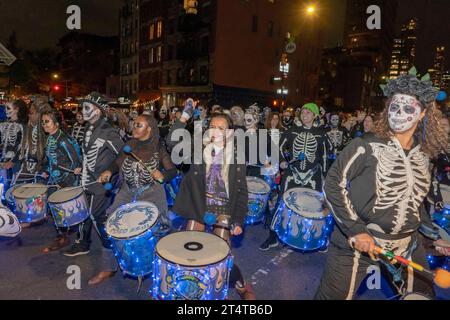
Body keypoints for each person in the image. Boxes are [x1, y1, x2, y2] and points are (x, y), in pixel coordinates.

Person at [315, 70, 450, 300]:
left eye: (409, 108)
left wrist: (431, 235)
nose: (399, 114)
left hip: (407, 245)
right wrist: (356, 229)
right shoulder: (366, 144)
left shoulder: (424, 155)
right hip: (357, 244)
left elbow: (414, 202)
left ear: (423, 113)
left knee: (422, 296)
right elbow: (333, 183)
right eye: (395, 107)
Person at [167, 99, 255, 300]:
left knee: (222, 256)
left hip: (223, 209)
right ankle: (192, 292)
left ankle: (241, 285)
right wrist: (185, 115)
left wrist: (238, 220)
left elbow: (241, 192)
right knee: (189, 250)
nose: (214, 131)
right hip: (199, 207)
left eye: (220, 128)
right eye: (212, 127)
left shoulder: (237, 157)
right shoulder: (197, 148)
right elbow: (172, 142)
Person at [95, 114, 177, 282]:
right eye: (134, 124)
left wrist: (162, 175)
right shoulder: (129, 145)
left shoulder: (158, 148)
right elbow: (117, 163)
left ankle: (163, 269)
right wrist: (109, 171)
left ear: (149, 129)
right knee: (109, 225)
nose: (134, 127)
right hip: (127, 191)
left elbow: (172, 171)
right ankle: (108, 267)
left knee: (159, 228)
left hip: (152, 192)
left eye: (139, 125)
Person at [63, 92, 124, 287]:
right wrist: (82, 166)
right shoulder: (88, 127)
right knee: (86, 214)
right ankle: (84, 243)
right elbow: (90, 154)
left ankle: (111, 262)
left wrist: (110, 171)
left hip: (100, 185)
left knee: (98, 219)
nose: (83, 110)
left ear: (97, 110)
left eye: (86, 107)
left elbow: (123, 155)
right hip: (86, 180)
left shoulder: (108, 130)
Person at [259, 102, 331, 251]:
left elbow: (324, 157)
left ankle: (316, 239)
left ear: (315, 115)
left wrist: (324, 176)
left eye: (308, 113)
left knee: (315, 207)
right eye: (303, 112)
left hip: (313, 175)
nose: (305, 115)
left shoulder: (321, 134)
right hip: (293, 173)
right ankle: (273, 237)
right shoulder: (292, 131)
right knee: (281, 203)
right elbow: (278, 147)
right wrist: (282, 161)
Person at [40, 106, 82, 253]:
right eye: (43, 122)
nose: (44, 124)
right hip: (54, 178)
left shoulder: (63, 139)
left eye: (47, 122)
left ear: (56, 123)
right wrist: (46, 170)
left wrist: (76, 169)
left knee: (62, 209)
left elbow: (76, 158)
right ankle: (62, 234)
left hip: (67, 180)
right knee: (52, 208)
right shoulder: (50, 138)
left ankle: (64, 237)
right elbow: (52, 160)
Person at [15, 98, 47, 185]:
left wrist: (42, 170)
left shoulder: (46, 132)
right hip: (25, 170)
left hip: (41, 174)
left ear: (39, 114)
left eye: (31, 113)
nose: (29, 115)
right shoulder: (26, 128)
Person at [0, 99, 27, 188]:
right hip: (2, 160)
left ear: (16, 109)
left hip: (15, 163)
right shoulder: (2, 124)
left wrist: (13, 161)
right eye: (5, 108)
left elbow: (22, 145)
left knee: (12, 188)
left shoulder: (22, 126)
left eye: (8, 108)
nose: (6, 111)